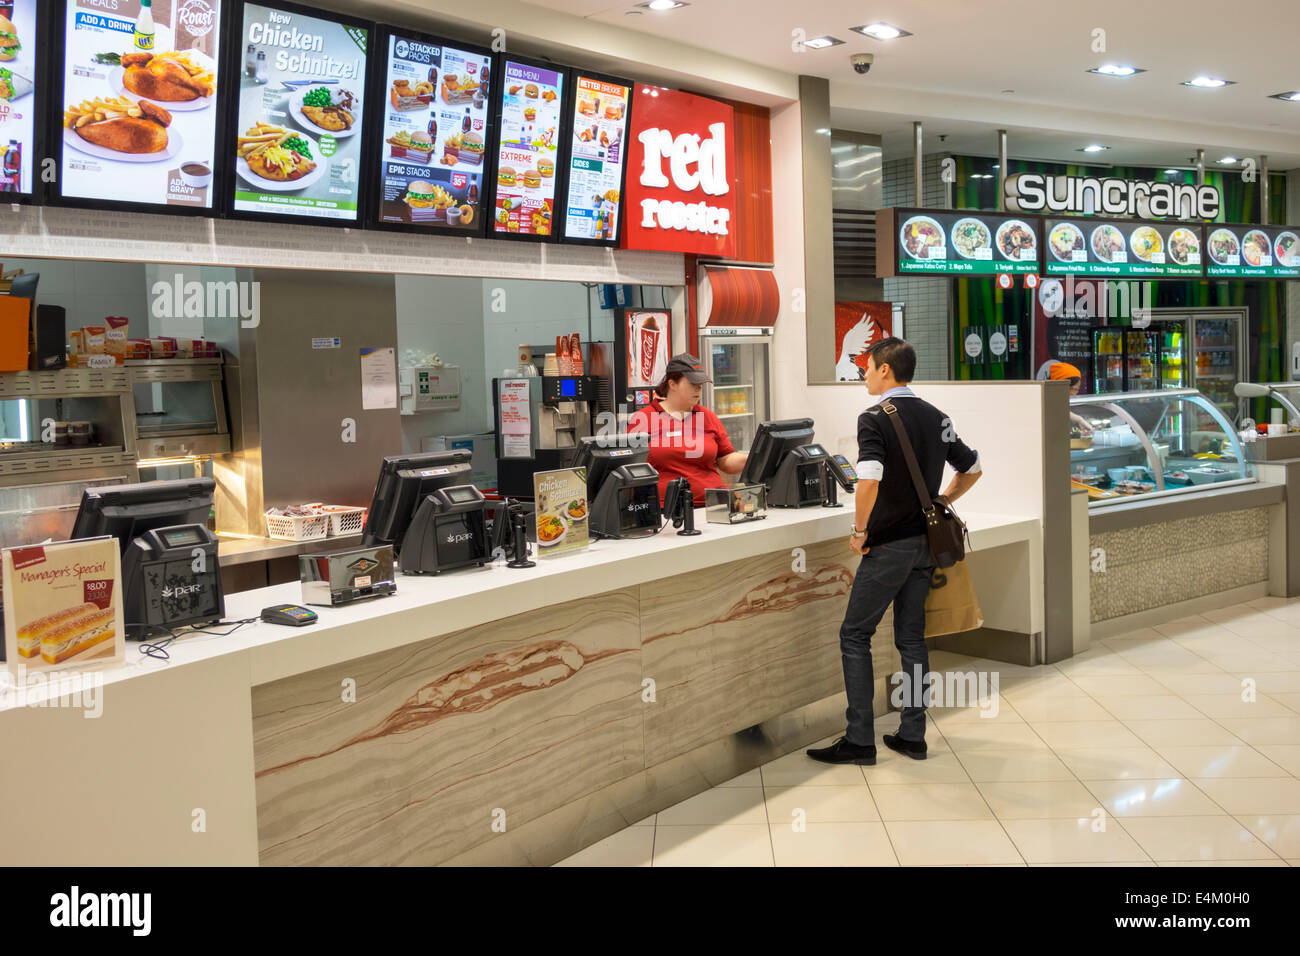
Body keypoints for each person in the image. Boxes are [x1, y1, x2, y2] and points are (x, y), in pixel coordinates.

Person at [808, 337, 983, 766]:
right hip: (926, 546)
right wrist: (941, 502)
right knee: (910, 637)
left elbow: (867, 480)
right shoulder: (938, 417)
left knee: (854, 634)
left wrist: (859, 530)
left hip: (888, 546)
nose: (864, 374)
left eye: (867, 368)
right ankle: (912, 734)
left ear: (885, 370)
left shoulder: (873, 418)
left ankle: (860, 740)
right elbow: (973, 468)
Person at [626, 353, 748, 507]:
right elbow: (630, 468)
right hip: (664, 510)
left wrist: (757, 457)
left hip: (713, 505)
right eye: (692, 383)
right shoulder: (643, 419)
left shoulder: (707, 416)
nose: (698, 389)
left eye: (701, 385)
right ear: (672, 384)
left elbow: (725, 461)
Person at [1039, 360, 1093, 435]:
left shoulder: (1057, 403)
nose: (1074, 393)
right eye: (1072, 389)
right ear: (1058, 386)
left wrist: (1079, 420)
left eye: (1077, 390)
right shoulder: (1041, 404)